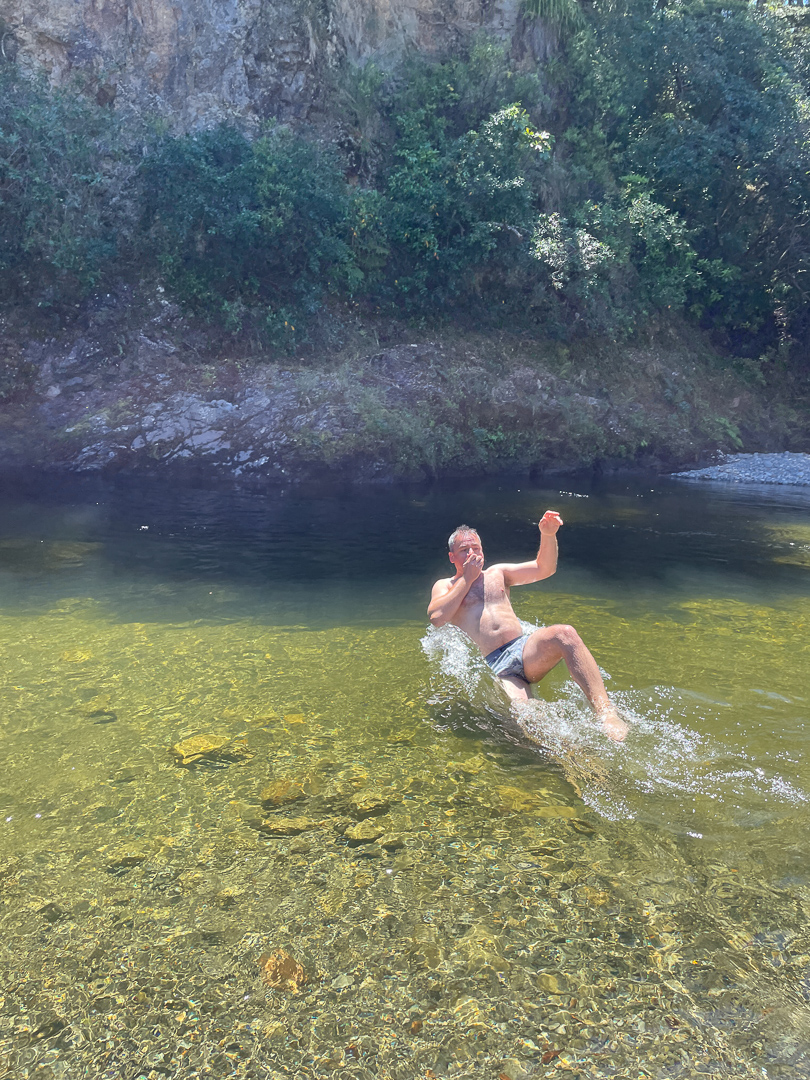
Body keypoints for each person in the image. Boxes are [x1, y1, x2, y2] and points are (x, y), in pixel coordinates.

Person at [427, 512, 629, 742]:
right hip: (496, 666)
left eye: (477, 548)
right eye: (465, 550)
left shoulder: (497, 573)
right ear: (452, 557)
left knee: (565, 634)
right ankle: (571, 754)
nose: (472, 553)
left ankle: (606, 713)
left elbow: (544, 568)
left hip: (524, 649)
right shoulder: (446, 585)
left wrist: (548, 535)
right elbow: (437, 617)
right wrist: (467, 579)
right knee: (528, 717)